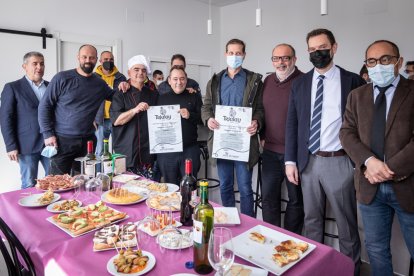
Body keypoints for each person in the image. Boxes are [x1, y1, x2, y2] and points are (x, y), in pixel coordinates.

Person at [284, 28, 364, 273]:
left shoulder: (353, 81)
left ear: (334, 47)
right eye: (312, 49)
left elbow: (361, 125)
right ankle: (314, 269)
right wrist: (290, 161)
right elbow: (292, 122)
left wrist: (357, 162)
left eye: (322, 48)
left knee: (347, 225)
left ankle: (351, 270)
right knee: (312, 222)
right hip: (308, 162)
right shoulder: (300, 84)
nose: (317, 53)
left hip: (340, 162)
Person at [340, 40, 414, 276]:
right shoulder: (357, 96)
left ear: (398, 62)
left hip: (407, 185)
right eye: (372, 61)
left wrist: (388, 168)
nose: (378, 66)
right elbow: (346, 132)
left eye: (385, 60)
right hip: (369, 186)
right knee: (376, 249)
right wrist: (369, 162)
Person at [201, 38, 264, 217]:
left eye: (238, 53)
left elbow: (260, 109)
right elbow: (206, 106)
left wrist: (257, 122)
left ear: (244, 55)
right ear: (225, 54)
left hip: (244, 143)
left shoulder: (254, 80)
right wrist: (209, 119)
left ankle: (249, 227)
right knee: (226, 185)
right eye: (231, 53)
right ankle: (229, 220)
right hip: (222, 143)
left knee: (245, 187)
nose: (234, 56)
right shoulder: (215, 80)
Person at [38, 44, 114, 175]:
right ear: (78, 57)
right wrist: (48, 134)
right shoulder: (62, 78)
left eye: (91, 57)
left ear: (96, 60)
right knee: (57, 183)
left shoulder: (99, 83)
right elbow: (45, 106)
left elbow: (115, 97)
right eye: (84, 57)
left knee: (83, 181)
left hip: (88, 142)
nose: (88, 60)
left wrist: (126, 84)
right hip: (62, 141)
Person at [260, 43, 304, 234]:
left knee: (296, 200)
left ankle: (290, 239)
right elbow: (261, 112)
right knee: (269, 197)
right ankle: (272, 236)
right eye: (276, 58)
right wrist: (260, 133)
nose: (281, 62)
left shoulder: (304, 81)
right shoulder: (267, 81)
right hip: (269, 152)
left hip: (294, 154)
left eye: (285, 58)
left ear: (294, 59)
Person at [1, 52, 49, 188]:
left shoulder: (51, 86)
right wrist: (11, 146)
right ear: (25, 66)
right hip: (26, 146)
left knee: (55, 182)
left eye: (42, 63)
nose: (39, 67)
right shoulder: (12, 87)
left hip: (50, 144)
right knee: (28, 184)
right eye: (35, 63)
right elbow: (5, 118)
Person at [110, 55, 158, 178]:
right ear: (129, 72)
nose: (140, 73)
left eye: (143, 70)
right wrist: (134, 110)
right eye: (136, 69)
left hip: (147, 152)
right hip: (125, 151)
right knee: (123, 190)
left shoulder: (153, 94)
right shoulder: (120, 93)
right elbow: (116, 121)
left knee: (148, 190)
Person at [157, 66, 202, 185]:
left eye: (182, 79)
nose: (179, 82)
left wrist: (190, 115)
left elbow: (204, 119)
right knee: (170, 187)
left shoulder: (194, 96)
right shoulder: (160, 99)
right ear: (169, 80)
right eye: (175, 79)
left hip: (189, 150)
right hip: (167, 152)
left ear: (186, 80)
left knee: (190, 187)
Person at [94, 51, 126, 155]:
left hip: (116, 119)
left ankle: (119, 172)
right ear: (100, 61)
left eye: (111, 59)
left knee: (120, 150)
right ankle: (99, 172)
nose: (109, 61)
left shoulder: (121, 78)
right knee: (100, 151)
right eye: (106, 59)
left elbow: (124, 98)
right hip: (100, 121)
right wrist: (91, 118)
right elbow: (88, 100)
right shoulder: (93, 77)